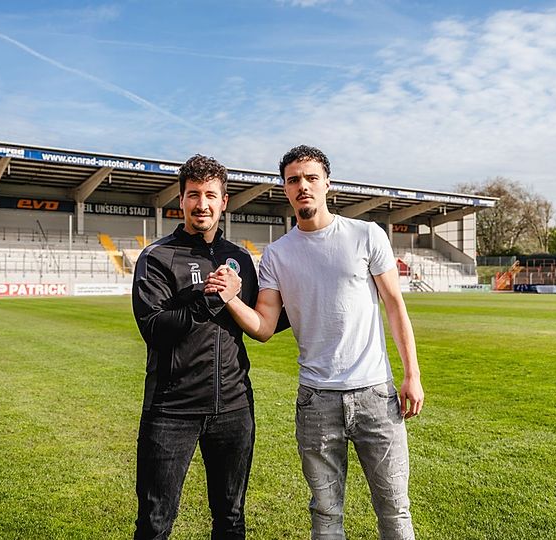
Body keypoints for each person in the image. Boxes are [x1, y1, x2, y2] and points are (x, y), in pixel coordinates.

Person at [206, 145, 424, 539]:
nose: (302, 186)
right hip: (316, 402)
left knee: (395, 510)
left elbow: (395, 306)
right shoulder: (277, 255)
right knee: (325, 514)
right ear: (285, 190)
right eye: (293, 180)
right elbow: (264, 327)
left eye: (311, 178)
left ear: (327, 184)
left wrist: (413, 375)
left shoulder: (366, 235)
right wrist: (231, 299)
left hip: (376, 394)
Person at [131, 154, 260, 540]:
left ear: (224, 201)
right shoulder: (157, 257)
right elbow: (154, 329)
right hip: (172, 410)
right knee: (155, 523)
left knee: (231, 518)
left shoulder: (240, 258)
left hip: (234, 407)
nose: (202, 204)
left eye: (210, 195)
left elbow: (259, 318)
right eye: (193, 195)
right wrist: (210, 298)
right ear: (181, 200)